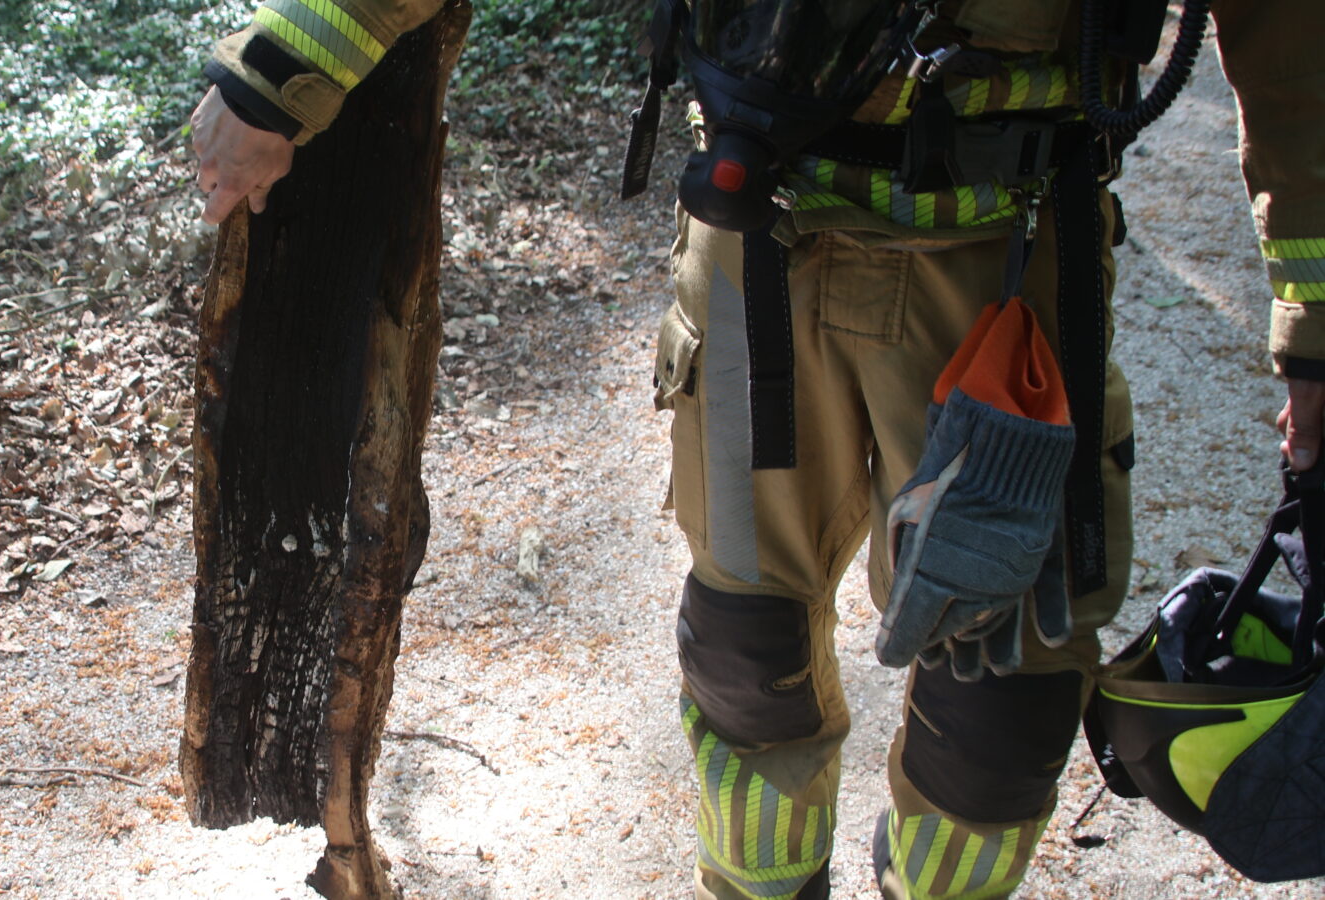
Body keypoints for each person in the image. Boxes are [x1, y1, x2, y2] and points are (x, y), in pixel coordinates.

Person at [188, 1, 1325, 897]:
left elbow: (1294, 51)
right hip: (761, 240)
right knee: (746, 659)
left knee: (1004, 708)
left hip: (1018, 261)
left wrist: (1317, 329)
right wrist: (282, 67)